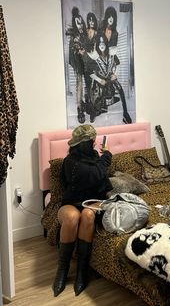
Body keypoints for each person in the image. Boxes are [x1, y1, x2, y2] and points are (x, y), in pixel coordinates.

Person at [52, 124, 113, 297]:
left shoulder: (95, 157)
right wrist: (107, 154)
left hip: (93, 202)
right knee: (72, 217)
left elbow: (99, 177)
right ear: (88, 142)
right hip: (72, 201)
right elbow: (96, 174)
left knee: (87, 215)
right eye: (93, 140)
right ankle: (62, 271)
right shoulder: (70, 162)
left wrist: (102, 158)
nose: (95, 143)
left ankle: (81, 271)